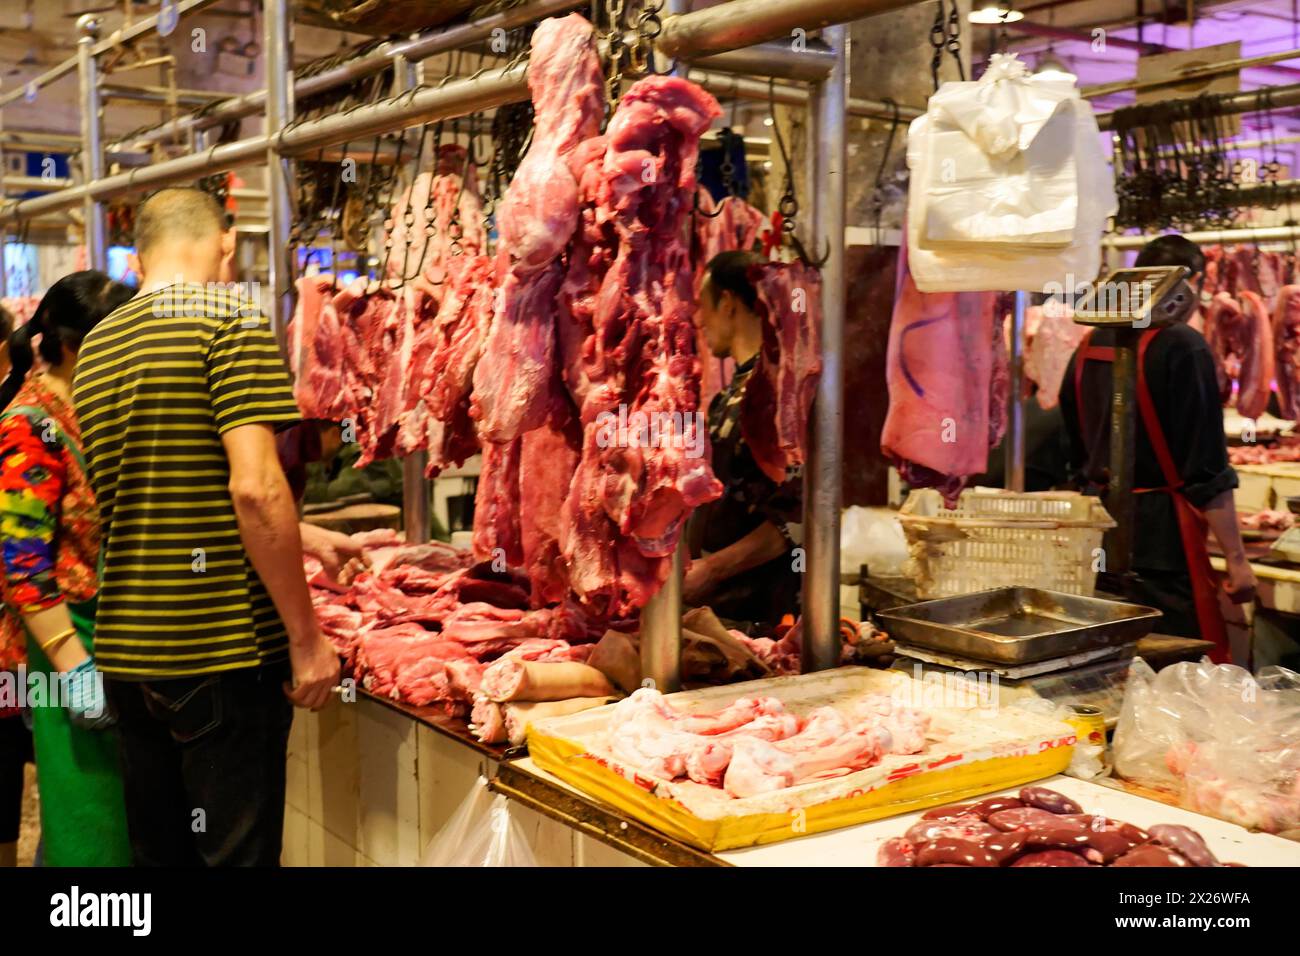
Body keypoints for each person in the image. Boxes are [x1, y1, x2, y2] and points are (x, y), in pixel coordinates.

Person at [72, 187, 340, 866]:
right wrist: (307, 640)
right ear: (223, 241)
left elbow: (156, 486)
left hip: (129, 657)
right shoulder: (227, 318)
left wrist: (305, 536)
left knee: (160, 860)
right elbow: (254, 489)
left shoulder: (101, 342)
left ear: (138, 253)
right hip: (219, 654)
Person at [1059, 233, 1256, 661]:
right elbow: (1207, 470)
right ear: (1191, 285)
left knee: (1111, 663)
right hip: (1164, 543)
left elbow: (1073, 450)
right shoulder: (1182, 346)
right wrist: (1237, 561)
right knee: (1179, 666)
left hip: (1097, 535)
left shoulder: (1088, 345)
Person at [0, 274, 135, 866]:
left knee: (110, 822)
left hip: (108, 640)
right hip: (65, 648)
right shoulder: (29, 426)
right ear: (69, 346)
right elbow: (21, 566)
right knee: (89, 823)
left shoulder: (88, 409)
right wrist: (76, 673)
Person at [684, 251, 802, 631]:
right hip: (720, 612)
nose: (700, 321)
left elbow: (798, 518)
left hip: (764, 616)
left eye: (705, 306)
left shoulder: (779, 394)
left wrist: (714, 569)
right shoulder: (731, 395)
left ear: (728, 304)